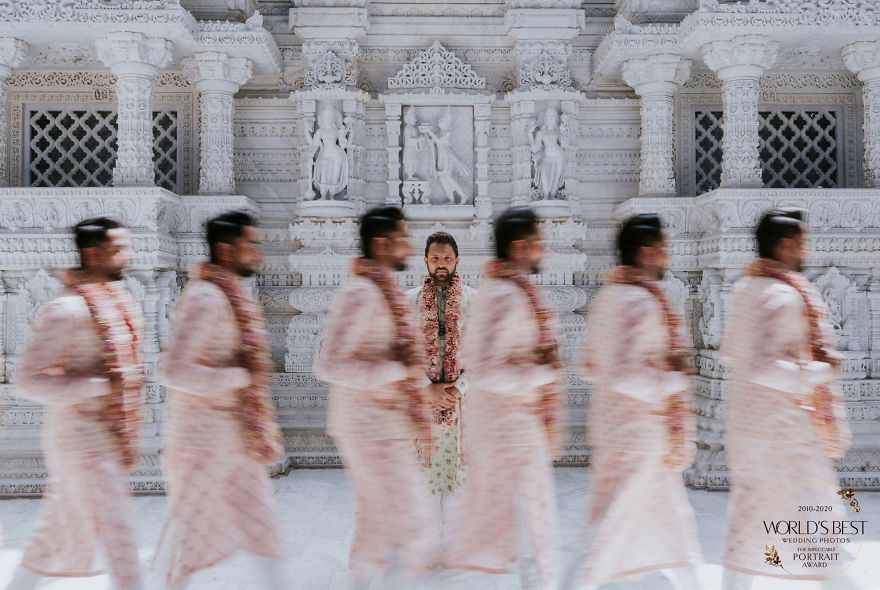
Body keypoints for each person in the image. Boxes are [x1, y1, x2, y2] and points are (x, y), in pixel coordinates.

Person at [563, 213, 702, 590]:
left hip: (629, 432)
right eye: (661, 249)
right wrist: (670, 376)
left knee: (672, 523)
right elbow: (623, 375)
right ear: (645, 253)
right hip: (636, 436)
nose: (666, 257)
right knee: (609, 528)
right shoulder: (637, 302)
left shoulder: (611, 296)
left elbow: (590, 363)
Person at [5, 218, 145, 590]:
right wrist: (100, 385)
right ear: (91, 254)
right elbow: (29, 380)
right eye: (118, 251)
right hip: (79, 441)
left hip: (104, 438)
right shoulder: (66, 308)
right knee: (117, 531)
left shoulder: (117, 301)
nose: (127, 258)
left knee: (56, 531)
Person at [721, 209, 855, 590]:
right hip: (784, 431)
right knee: (820, 515)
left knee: (750, 518)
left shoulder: (746, 288)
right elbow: (763, 367)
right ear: (784, 245)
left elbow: (731, 353)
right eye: (801, 242)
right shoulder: (782, 295)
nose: (804, 250)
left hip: (748, 427)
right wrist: (819, 370)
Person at [154, 210, 286, 589]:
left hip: (237, 437)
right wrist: (241, 376)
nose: (257, 253)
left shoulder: (231, 296)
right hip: (200, 441)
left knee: (262, 524)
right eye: (250, 245)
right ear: (227, 250)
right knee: (191, 536)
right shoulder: (205, 298)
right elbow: (174, 371)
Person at [315, 205, 436, 589]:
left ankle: (365, 579)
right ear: (382, 244)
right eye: (402, 238)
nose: (408, 246)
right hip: (367, 426)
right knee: (409, 519)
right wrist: (395, 369)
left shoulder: (384, 290)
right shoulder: (361, 293)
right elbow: (330, 364)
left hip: (387, 425)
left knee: (382, 517)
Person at [448, 207, 563, 590]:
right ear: (519, 246)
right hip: (506, 425)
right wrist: (540, 371)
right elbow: (484, 366)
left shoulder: (517, 291)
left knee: (533, 518)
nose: (542, 249)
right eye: (536, 241)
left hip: (519, 422)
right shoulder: (500, 296)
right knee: (531, 519)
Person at [406, 232, 475, 559]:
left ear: (457, 260)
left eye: (447, 258)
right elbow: (401, 354)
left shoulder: (474, 300)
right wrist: (426, 387)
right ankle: (426, 545)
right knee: (422, 479)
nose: (441, 264)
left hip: (463, 405)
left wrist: (456, 390)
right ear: (426, 261)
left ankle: (454, 545)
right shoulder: (410, 301)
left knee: (458, 479)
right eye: (435, 258)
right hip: (421, 405)